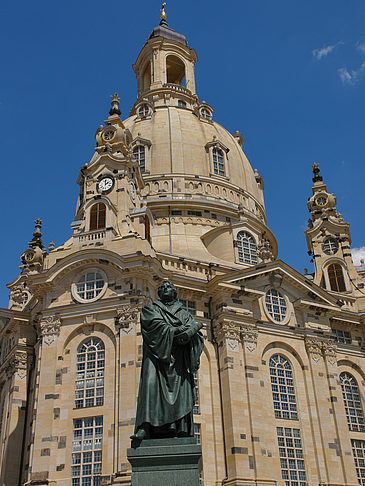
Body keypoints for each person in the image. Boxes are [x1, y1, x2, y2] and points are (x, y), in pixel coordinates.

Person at [131, 280, 204, 440]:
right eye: (162, 287)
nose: (165, 289)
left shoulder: (184, 314)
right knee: (149, 386)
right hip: (156, 358)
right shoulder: (151, 309)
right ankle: (145, 427)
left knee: (180, 392)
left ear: (174, 292)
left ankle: (177, 427)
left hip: (178, 360)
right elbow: (153, 326)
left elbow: (194, 336)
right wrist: (178, 331)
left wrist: (191, 334)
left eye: (169, 287)